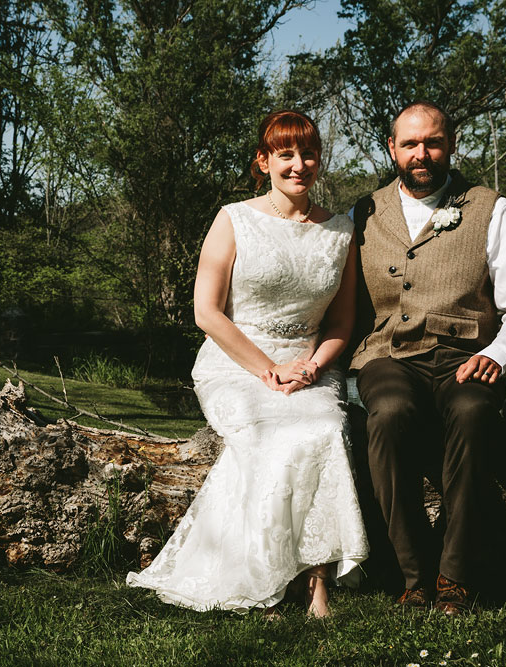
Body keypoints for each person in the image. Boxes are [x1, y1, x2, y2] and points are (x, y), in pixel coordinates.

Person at [127, 110, 369, 617]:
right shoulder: (233, 218)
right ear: (264, 161)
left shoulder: (343, 231)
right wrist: (267, 369)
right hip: (234, 361)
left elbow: (343, 324)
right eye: (286, 155)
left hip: (310, 366)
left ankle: (316, 578)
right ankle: (266, 572)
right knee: (268, 435)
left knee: (324, 427)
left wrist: (312, 366)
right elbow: (206, 312)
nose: (299, 164)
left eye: (308, 154)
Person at [350, 100, 506, 615]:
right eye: (410, 143)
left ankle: (455, 576)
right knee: (389, 414)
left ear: (451, 145)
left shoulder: (489, 207)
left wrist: (499, 354)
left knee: (471, 412)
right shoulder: (362, 213)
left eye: (432, 142)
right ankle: (413, 575)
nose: (421, 153)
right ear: (391, 148)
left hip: (467, 355)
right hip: (388, 356)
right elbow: (341, 307)